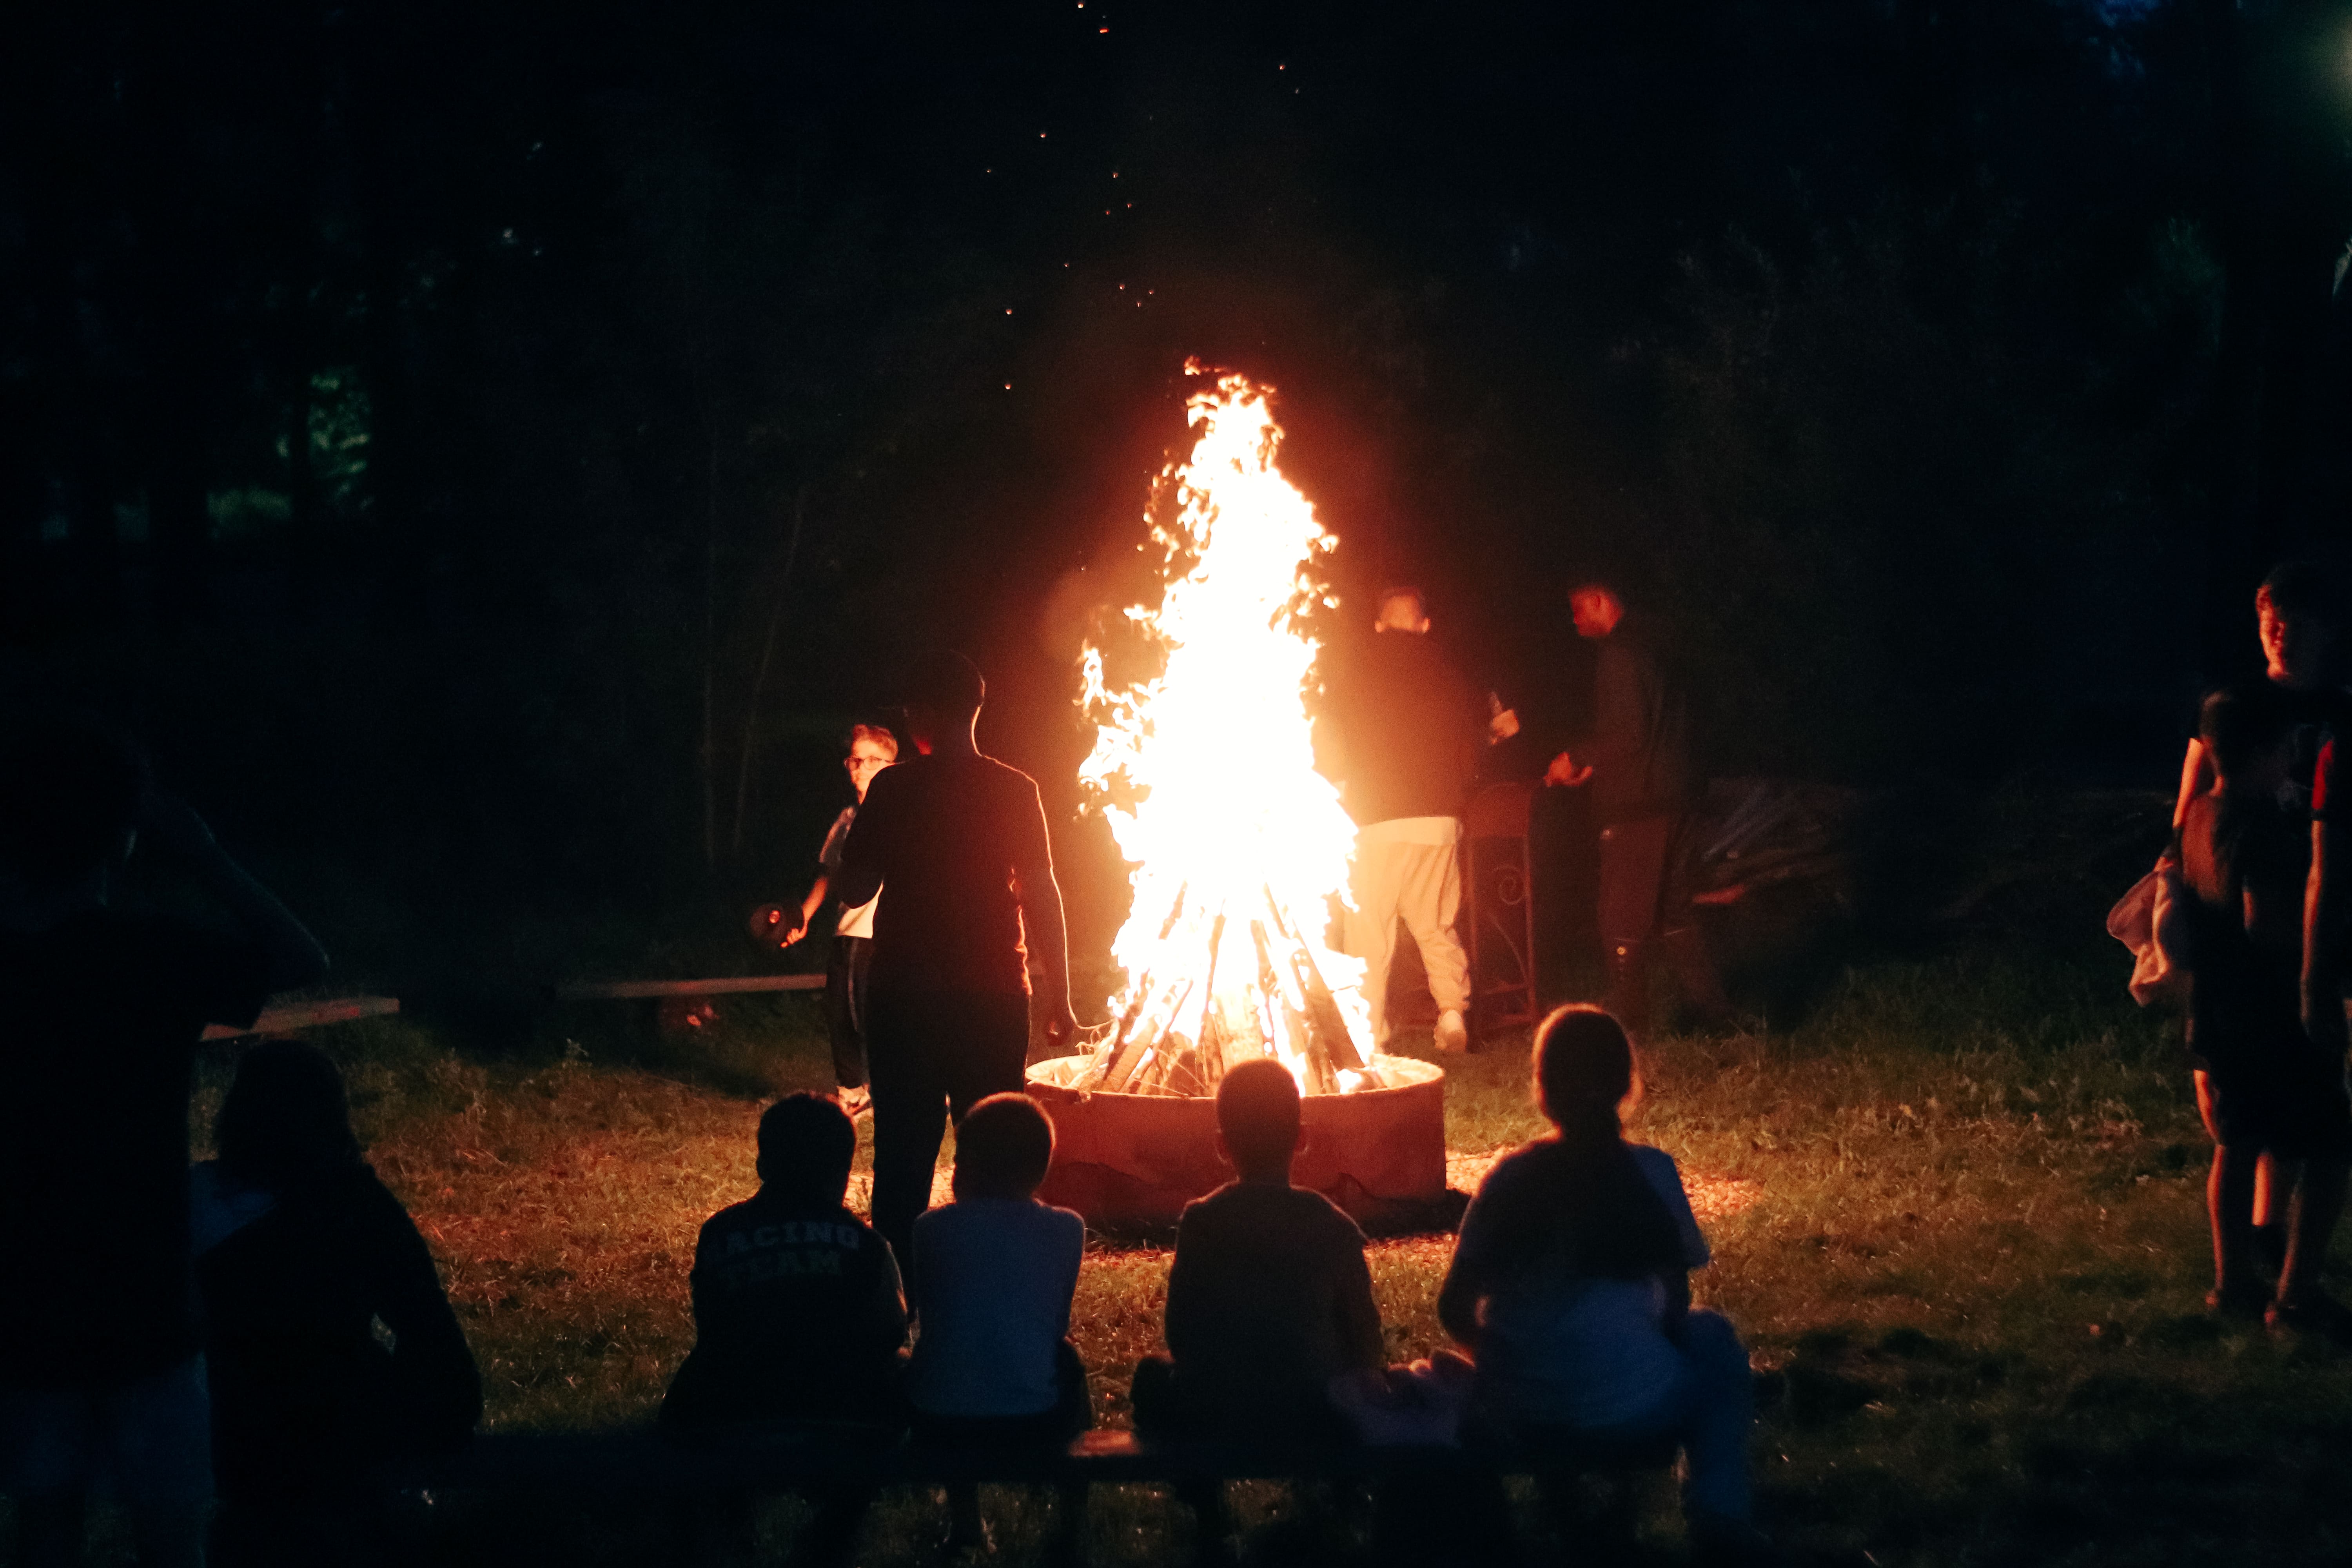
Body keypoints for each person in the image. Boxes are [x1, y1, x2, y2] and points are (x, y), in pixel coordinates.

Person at [0, 715, 328, 1568]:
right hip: (146, 1301)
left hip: (29, 1302)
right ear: (125, 839)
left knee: (42, 1535)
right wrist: (206, 852)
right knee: (172, 1539)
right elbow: (300, 956)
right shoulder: (149, 956)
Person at [1437, 1004, 1764, 1564]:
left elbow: (1454, 1307)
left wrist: (1505, 1357)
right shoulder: (1651, 1173)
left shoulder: (1509, 1177)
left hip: (1521, 1410)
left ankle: (1557, 1498)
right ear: (1626, 1086)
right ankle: (1719, 1512)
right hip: (1632, 1409)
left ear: (1542, 1089)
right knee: (1713, 1340)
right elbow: (1675, 1307)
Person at [832, 649, 1083, 1269]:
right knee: (997, 1153)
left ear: (920, 716)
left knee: (904, 1156)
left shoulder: (893, 788)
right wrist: (1062, 999)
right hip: (993, 993)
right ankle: (994, 1280)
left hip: (906, 995)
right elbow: (1043, 891)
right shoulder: (1015, 788)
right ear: (975, 709)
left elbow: (855, 890)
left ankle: (899, 1300)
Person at [192, 1042, 481, 1567]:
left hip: (230, 1435)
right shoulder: (354, 1206)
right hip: (336, 1435)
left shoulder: (200, 1203)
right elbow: (432, 1333)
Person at [2167, 562, 2350, 1289]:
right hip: (2239, 922)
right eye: (2270, 620)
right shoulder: (2230, 707)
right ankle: (2248, 1270)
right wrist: (2174, 891)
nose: (2280, 634)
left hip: (2312, 920)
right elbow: (2192, 807)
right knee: (2236, 1103)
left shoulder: (2342, 714)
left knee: (2294, 1095)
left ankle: (2266, 1242)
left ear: (2327, 631)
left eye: (2296, 622)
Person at [662, 1094, 909, 1566]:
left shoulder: (721, 1231)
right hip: (846, 1419)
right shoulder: (866, 1243)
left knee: (701, 1371)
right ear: (844, 1173)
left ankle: (726, 1521)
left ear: (761, 1162)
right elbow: (893, 1328)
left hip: (732, 1412)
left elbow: (712, 1319)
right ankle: (840, 1522)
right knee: (901, 1370)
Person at [1495, 581, 1726, 1036]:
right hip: (1678, 797)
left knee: (1619, 914)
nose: (1576, 621)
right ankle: (1713, 1011)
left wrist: (1575, 758)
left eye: (1579, 609)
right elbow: (1652, 731)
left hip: (1639, 807)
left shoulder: (1619, 654)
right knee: (1674, 909)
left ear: (1602, 601)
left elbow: (1628, 732)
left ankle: (1628, 1017)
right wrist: (1594, 768)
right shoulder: (1662, 648)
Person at [1131, 1058, 1384, 1443]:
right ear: (1302, 1138)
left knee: (1152, 1376)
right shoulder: (1333, 1225)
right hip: (1312, 1411)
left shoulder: (1202, 1221)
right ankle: (1342, 1493)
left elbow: (1180, 1332)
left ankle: (1204, 1499)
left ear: (1221, 1145)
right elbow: (1365, 1337)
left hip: (1218, 1410)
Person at [907, 1094, 1090, 1561]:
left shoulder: (930, 1228)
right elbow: (1057, 1323)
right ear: (1042, 1168)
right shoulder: (1068, 1227)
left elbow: (933, 1317)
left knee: (945, 1352)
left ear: (963, 1164)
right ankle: (1073, 1514)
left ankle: (967, 1521)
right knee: (1066, 1356)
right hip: (1035, 1423)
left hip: (941, 1426)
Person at [1324, 587, 1478, 1054]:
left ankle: (1369, 1033)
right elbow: (1471, 743)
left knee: (1369, 930)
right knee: (1436, 926)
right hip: (1437, 819)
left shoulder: (1352, 674)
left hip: (1375, 821)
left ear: (1378, 625)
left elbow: (1333, 748)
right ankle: (1452, 1012)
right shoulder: (1451, 673)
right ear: (1424, 625)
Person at [756, 722, 901, 1112]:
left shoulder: (904, 814)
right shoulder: (847, 817)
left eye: (874, 760)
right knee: (839, 1013)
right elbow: (827, 875)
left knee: (878, 1019)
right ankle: (854, 1092)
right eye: (857, 760)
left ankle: (905, 1091)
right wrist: (801, 918)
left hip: (887, 934)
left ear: (892, 765)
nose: (863, 768)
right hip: (847, 932)